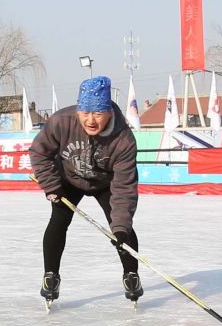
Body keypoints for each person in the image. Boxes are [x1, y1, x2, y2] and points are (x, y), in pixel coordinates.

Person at [29, 75, 141, 308]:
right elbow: (39, 152)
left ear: (109, 111)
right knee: (58, 221)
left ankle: (131, 274)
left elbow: (124, 187)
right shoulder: (61, 122)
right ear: (78, 110)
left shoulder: (123, 140)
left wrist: (119, 229)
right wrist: (51, 185)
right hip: (68, 179)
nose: (90, 120)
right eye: (85, 113)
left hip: (106, 183)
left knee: (123, 228)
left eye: (98, 113)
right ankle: (51, 275)